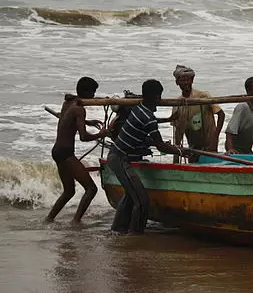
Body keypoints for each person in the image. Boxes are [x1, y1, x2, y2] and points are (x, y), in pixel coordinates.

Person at [108, 79, 189, 234]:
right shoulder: (148, 117)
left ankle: (118, 230)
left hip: (117, 156)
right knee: (142, 200)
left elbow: (150, 128)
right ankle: (135, 234)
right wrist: (180, 151)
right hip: (120, 158)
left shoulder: (139, 109)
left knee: (130, 196)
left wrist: (168, 120)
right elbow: (160, 145)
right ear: (157, 97)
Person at [46, 77, 108, 223]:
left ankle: (49, 219)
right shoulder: (79, 109)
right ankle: (76, 222)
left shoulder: (68, 103)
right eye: (92, 92)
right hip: (66, 153)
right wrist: (101, 134)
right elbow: (84, 137)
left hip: (57, 150)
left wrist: (88, 122)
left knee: (69, 191)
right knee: (91, 189)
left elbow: (68, 118)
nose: (93, 96)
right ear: (86, 92)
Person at [168, 65, 225, 162]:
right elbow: (178, 132)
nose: (186, 83)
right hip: (193, 146)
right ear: (177, 82)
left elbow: (221, 114)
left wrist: (215, 138)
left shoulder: (203, 96)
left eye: (188, 80)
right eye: (182, 80)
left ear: (192, 80)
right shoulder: (177, 104)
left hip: (209, 144)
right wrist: (176, 157)